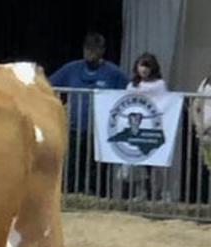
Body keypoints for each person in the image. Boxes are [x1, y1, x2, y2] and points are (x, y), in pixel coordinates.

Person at [48, 32, 128, 195]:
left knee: (98, 169)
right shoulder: (72, 69)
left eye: (94, 49)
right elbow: (49, 84)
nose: (90, 53)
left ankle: (98, 197)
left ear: (102, 51)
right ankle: (69, 196)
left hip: (101, 131)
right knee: (73, 166)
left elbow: (130, 94)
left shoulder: (114, 73)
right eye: (87, 49)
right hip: (75, 127)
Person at [121, 52, 168, 201]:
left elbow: (165, 103)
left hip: (152, 129)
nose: (144, 69)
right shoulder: (131, 85)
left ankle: (155, 194)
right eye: (142, 65)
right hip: (135, 128)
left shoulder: (160, 85)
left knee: (153, 164)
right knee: (133, 162)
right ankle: (134, 193)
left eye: (147, 66)